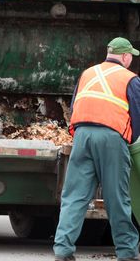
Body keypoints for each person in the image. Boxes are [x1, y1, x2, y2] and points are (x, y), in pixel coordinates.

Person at [53, 37, 140, 261]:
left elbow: (74, 106)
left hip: (82, 136)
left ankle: (63, 249)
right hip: (112, 139)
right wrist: (132, 141)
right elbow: (137, 115)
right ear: (126, 57)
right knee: (116, 197)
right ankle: (127, 252)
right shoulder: (130, 79)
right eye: (132, 57)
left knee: (74, 196)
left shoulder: (87, 74)